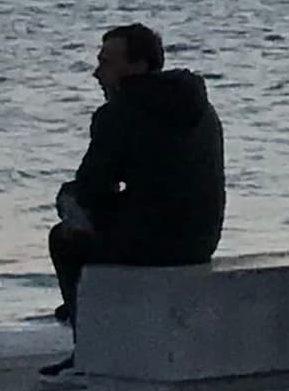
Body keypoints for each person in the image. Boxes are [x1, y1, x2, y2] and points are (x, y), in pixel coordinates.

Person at [44, 23, 224, 358]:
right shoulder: (200, 108)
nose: (97, 74)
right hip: (202, 240)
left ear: (137, 66)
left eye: (106, 63)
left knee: (65, 235)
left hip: (155, 244)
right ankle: (88, 311)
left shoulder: (119, 113)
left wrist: (70, 197)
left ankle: (88, 347)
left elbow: (92, 188)